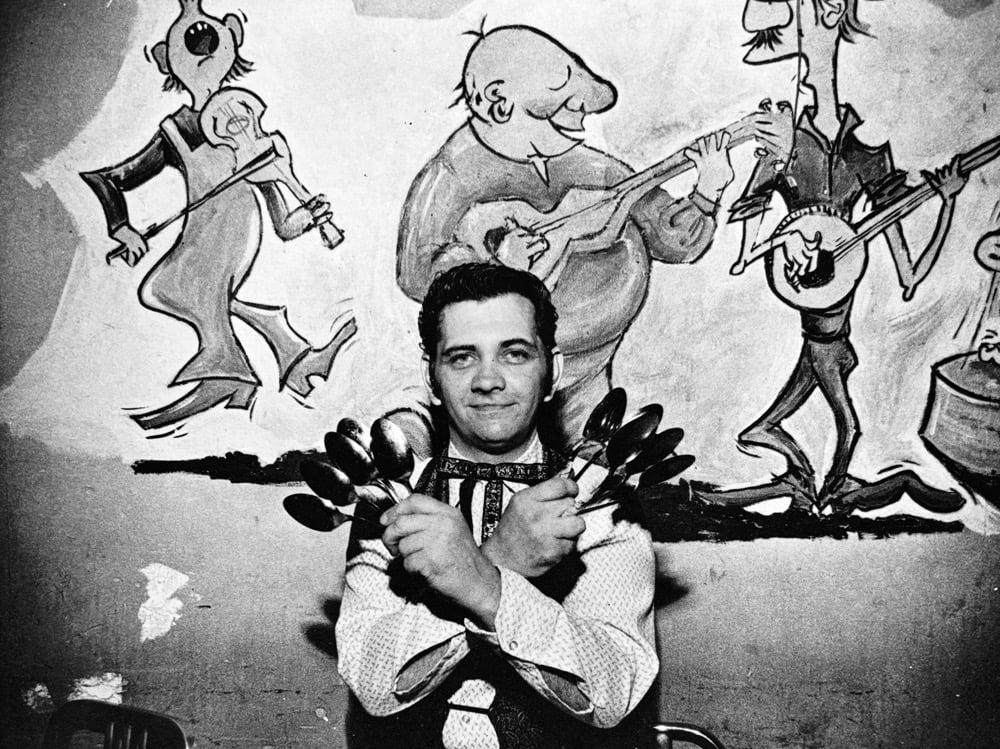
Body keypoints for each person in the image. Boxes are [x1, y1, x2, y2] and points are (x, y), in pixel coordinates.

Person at [298, 263, 659, 749]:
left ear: (553, 369)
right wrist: (501, 562)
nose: (488, 380)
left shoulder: (601, 505)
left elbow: (611, 694)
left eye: (514, 353)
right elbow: (377, 686)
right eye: (462, 356)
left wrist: (483, 580)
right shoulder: (388, 503)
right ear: (432, 376)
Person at [396, 23, 734, 447]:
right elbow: (416, 272)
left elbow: (669, 238)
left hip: (586, 367)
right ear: (499, 103)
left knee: (591, 449)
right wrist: (495, 266)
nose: (578, 120)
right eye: (559, 107)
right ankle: (408, 440)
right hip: (496, 368)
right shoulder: (452, 174)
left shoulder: (591, 166)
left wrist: (707, 193)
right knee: (453, 433)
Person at [705, 0, 965, 515]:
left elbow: (910, 274)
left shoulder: (865, 157)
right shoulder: (784, 146)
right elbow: (745, 250)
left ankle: (811, 486)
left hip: (832, 333)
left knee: (806, 404)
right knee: (848, 426)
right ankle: (826, 491)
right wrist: (783, 241)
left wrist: (948, 203)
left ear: (829, 13)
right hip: (821, 326)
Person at [81, 0, 354, 431]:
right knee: (165, 289)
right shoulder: (175, 132)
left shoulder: (249, 125)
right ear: (164, 59)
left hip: (231, 241)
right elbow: (108, 180)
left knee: (175, 287)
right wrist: (122, 227)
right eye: (184, 40)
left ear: (232, 36)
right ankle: (293, 353)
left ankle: (228, 373)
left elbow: (284, 225)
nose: (199, 41)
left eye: (210, 32)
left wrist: (308, 215)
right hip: (200, 238)